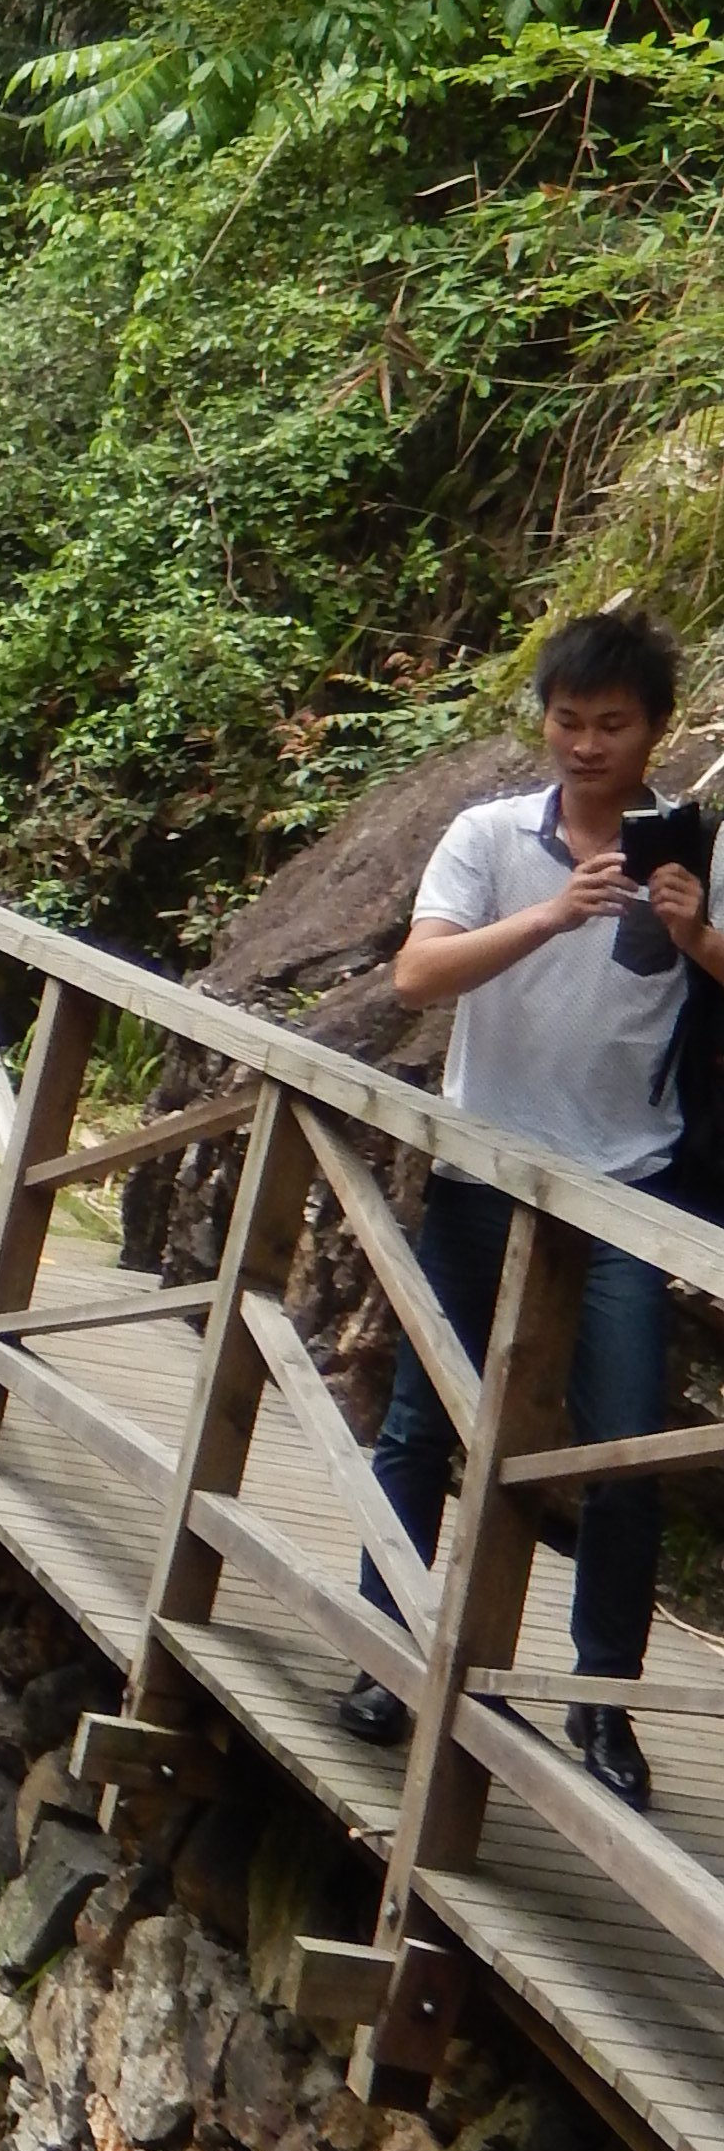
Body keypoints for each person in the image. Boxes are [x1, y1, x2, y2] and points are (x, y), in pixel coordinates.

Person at [340, 603, 719, 1813]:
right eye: (568, 721)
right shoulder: (489, 833)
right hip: (481, 1162)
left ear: (655, 731)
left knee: (623, 1448)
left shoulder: (701, 849)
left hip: (628, 1180)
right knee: (421, 1419)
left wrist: (695, 936)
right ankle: (381, 1651)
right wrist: (553, 913)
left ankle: (604, 1702)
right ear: (544, 722)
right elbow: (416, 972)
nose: (587, 744)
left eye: (613, 725)